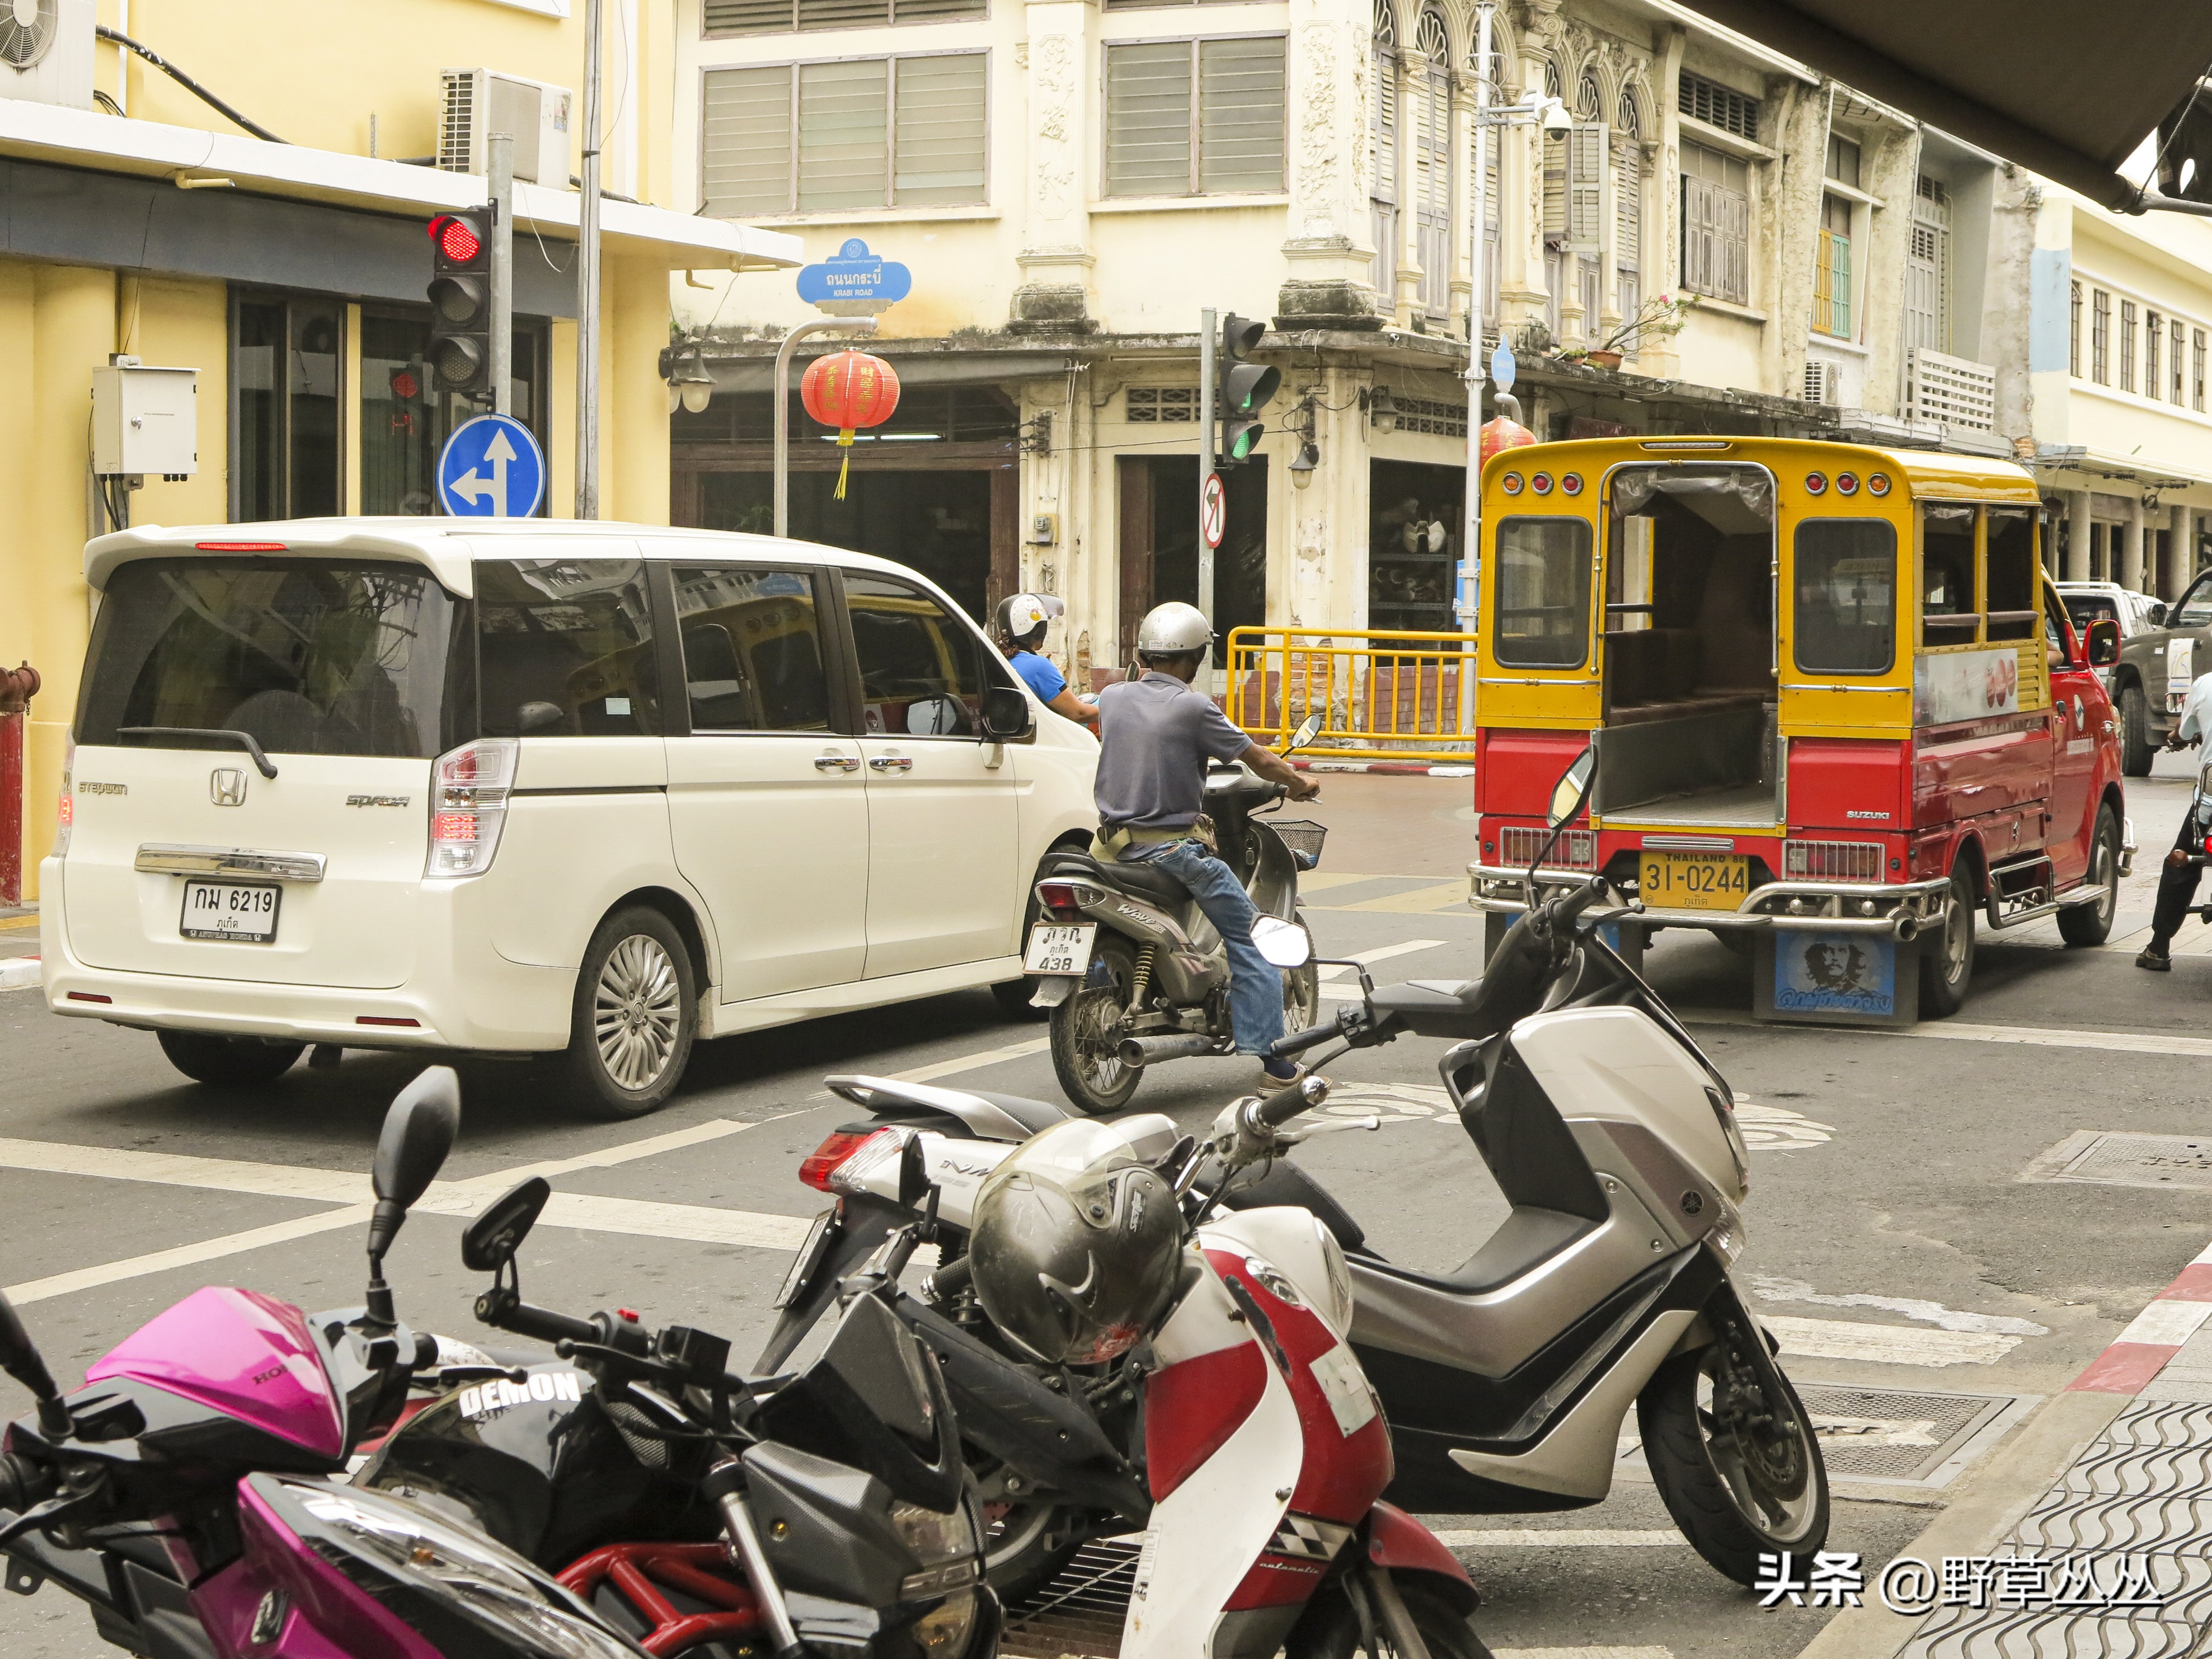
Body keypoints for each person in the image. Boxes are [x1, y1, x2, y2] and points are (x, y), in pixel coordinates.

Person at [1093, 601, 1321, 1084]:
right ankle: (1274, 1061)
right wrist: (1299, 783)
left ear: (1142, 654)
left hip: (1108, 851)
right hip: (1172, 852)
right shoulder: (1195, 707)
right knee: (1253, 939)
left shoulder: (1112, 696)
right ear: (1196, 659)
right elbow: (1256, 758)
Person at [2136, 668, 2212, 970]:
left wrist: (2177, 735)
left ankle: (2159, 947)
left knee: (2181, 862)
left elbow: (2182, 730)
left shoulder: (2205, 685)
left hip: (2209, 803)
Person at [994, 593, 1098, 729]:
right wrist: (1115, 711)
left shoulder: (1000, 659)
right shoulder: (1038, 666)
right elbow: (1078, 713)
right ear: (1038, 629)